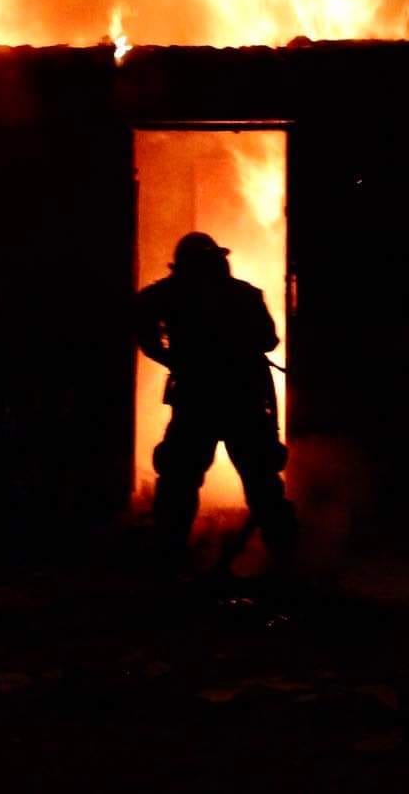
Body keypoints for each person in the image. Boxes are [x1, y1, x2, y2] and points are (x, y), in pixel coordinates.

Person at [135, 231, 297, 566]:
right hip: (243, 402)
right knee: (263, 483)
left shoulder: (171, 294)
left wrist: (172, 358)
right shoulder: (245, 295)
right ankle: (288, 558)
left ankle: (169, 557)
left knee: (179, 483)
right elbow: (268, 341)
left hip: (197, 402)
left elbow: (141, 317)